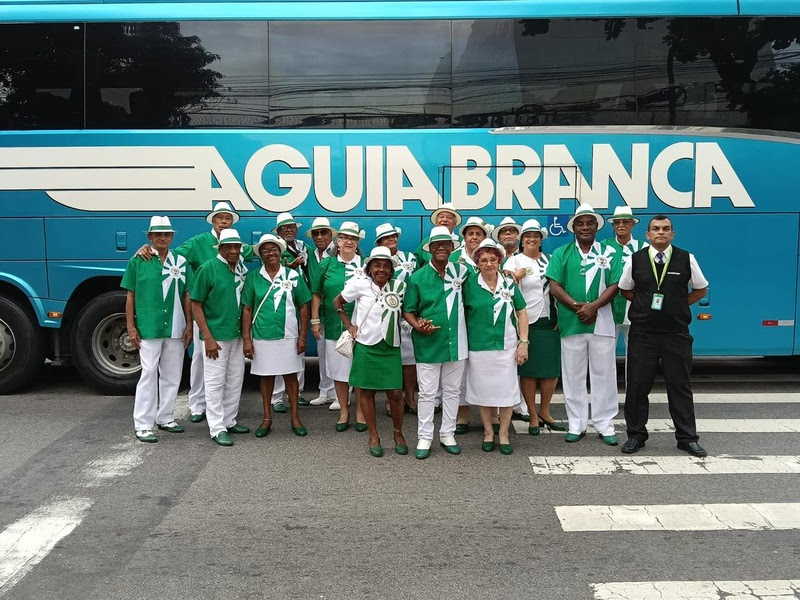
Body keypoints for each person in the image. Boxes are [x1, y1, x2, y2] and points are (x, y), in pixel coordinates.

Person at [137, 201, 255, 424]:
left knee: (225, 370)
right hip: (205, 314)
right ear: (213, 220)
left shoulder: (234, 245)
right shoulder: (198, 242)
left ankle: (220, 413)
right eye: (219, 218)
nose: (223, 221)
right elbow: (172, 256)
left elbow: (257, 252)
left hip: (226, 316)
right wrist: (147, 249)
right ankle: (197, 404)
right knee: (201, 360)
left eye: (227, 218)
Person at [618, 215, 709, 457]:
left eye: (665, 229)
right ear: (647, 235)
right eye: (656, 229)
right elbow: (625, 289)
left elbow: (700, 289)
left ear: (672, 234)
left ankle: (687, 438)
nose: (661, 232)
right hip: (643, 334)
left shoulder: (686, 258)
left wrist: (677, 305)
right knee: (637, 386)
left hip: (675, 334)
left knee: (680, 387)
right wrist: (644, 305)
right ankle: (636, 435)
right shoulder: (635, 259)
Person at [546, 204, 622, 445]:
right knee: (572, 375)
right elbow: (554, 286)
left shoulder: (610, 252)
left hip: (602, 322)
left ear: (597, 226)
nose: (585, 227)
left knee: (604, 374)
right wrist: (578, 307)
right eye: (580, 223)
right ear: (574, 228)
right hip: (572, 322)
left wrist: (594, 307)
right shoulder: (562, 252)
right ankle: (576, 423)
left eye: (590, 223)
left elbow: (616, 285)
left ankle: (604, 423)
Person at [122, 216, 193, 443]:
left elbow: (187, 295)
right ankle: (143, 424)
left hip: (175, 326)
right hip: (149, 326)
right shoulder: (138, 260)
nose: (162, 238)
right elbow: (130, 295)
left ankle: (166, 417)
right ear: (150, 237)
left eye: (167, 234)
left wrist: (189, 324)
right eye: (158, 234)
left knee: (172, 374)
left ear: (172, 237)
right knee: (149, 373)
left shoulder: (180, 261)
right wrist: (131, 327)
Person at [403, 226, 468, 459]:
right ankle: (425, 436)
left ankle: (447, 433)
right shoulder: (418, 277)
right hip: (428, 344)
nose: (441, 248)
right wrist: (418, 325)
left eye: (445, 244)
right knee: (427, 393)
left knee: (452, 391)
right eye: (436, 244)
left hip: (457, 343)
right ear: (429, 249)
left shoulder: (463, 272)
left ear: (452, 247)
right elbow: (408, 310)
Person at [335, 246, 407, 458]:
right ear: (369, 268)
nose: (381, 269)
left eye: (386, 266)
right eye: (377, 265)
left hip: (391, 346)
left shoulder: (400, 286)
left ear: (391, 269)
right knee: (366, 392)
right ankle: (373, 436)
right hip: (366, 345)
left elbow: (407, 311)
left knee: (395, 393)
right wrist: (349, 325)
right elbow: (337, 301)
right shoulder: (360, 284)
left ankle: (398, 433)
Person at [462, 239, 528, 455]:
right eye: (483, 260)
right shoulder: (469, 284)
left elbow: (521, 312)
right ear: (477, 263)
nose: (488, 264)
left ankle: (504, 433)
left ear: (499, 261)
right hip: (478, 347)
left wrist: (523, 342)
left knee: (506, 391)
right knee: (483, 391)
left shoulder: (509, 283)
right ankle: (488, 432)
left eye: (492, 259)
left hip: (506, 345)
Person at [242, 233, 311, 439]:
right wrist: (247, 339)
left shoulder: (293, 276)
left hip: (289, 334)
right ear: (260, 254)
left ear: (280, 252)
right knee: (267, 376)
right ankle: (266, 418)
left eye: (274, 249)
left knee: (291, 376)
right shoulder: (253, 277)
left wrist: (302, 336)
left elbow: (304, 306)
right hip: (262, 335)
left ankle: (295, 418)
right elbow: (247, 309)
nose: (270, 253)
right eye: (265, 250)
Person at [504, 219, 565, 435]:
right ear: (522, 240)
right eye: (528, 236)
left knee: (550, 370)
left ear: (541, 240)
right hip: (526, 321)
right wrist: (516, 276)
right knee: (529, 371)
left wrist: (562, 315)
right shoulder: (514, 261)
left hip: (550, 319)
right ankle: (532, 414)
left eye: (536, 236)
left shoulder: (551, 259)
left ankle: (545, 411)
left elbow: (560, 286)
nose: (532, 239)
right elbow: (505, 288)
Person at [190, 228, 250, 446]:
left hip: (236, 335)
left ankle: (229, 420)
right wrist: (207, 337)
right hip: (216, 336)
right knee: (215, 382)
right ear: (220, 248)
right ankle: (216, 428)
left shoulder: (241, 268)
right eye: (228, 247)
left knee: (235, 379)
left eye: (237, 247)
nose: (233, 251)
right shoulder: (207, 268)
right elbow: (196, 304)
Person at [310, 221, 367, 431]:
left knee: (360, 370)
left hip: (363, 327)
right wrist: (315, 320)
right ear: (338, 241)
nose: (349, 241)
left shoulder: (367, 264)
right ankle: (344, 411)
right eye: (345, 238)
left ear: (358, 242)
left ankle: (361, 411)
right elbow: (316, 293)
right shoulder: (327, 264)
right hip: (335, 326)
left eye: (353, 238)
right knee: (339, 371)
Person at [374, 222, 418, 415]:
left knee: (410, 360)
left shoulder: (410, 258)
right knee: (390, 359)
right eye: (386, 238)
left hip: (407, 315)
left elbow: (417, 283)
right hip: (385, 315)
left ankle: (410, 397)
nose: (391, 239)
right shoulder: (375, 261)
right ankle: (392, 398)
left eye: (393, 236)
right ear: (379, 242)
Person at [451, 216, 490, 431]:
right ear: (464, 237)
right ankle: (463, 415)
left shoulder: (492, 254)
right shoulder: (454, 257)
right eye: (470, 234)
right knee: (462, 368)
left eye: (478, 234)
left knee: (489, 366)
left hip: (485, 319)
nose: (474, 237)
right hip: (460, 318)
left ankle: (492, 415)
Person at [602, 206, 648, 375]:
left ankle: (633, 391)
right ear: (613, 225)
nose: (621, 225)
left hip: (635, 308)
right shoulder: (602, 247)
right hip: (608, 308)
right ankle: (607, 392)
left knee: (636, 356)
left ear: (632, 224)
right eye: (617, 222)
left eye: (625, 222)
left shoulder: (643, 247)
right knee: (605, 356)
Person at [272, 211, 309, 412]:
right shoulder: (275, 247)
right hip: (281, 302)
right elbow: (270, 269)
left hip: (299, 300)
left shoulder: (303, 247)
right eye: (284, 228)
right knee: (278, 350)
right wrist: (288, 267)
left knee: (297, 348)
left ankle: (297, 392)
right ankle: (277, 397)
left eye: (291, 227)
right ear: (278, 231)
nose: (289, 230)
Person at [305, 217, 337, 407]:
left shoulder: (338, 252)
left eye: (323, 232)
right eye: (316, 233)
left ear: (330, 234)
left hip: (336, 312)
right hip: (319, 311)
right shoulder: (310, 254)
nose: (319, 237)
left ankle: (340, 394)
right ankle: (325, 391)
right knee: (323, 353)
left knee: (340, 354)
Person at [414, 202, 463, 266]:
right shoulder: (426, 242)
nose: (445, 219)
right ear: (436, 222)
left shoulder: (463, 242)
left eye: (449, 217)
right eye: (441, 217)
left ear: (455, 223)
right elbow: (416, 265)